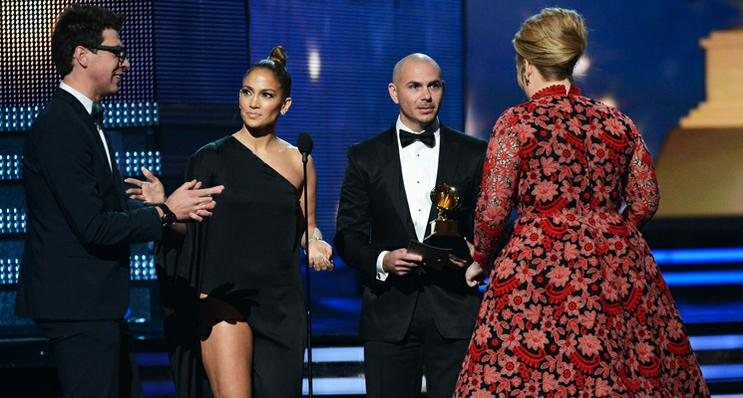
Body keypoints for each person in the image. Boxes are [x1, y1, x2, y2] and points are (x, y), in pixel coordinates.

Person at [454, 8, 709, 396]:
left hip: (536, 270)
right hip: (615, 269)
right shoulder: (615, 121)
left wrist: (481, 260)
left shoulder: (517, 122)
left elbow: (493, 209)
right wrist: (612, 231)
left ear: (526, 65)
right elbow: (646, 198)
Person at [15, 4, 224, 398]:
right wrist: (165, 213)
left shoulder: (85, 122)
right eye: (118, 52)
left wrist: (154, 206)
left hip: (96, 308)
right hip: (77, 308)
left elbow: (103, 210)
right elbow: (93, 225)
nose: (125, 63)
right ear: (82, 55)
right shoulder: (61, 127)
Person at [131, 46, 334, 397]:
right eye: (247, 92)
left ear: (285, 104)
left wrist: (315, 242)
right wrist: (164, 209)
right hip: (223, 296)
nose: (253, 103)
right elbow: (187, 235)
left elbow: (306, 227)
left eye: (266, 95)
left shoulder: (300, 161)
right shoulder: (208, 158)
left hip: (280, 302)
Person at [335, 53, 487, 397]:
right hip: (389, 311)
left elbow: (487, 226)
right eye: (415, 86)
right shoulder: (364, 156)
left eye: (433, 86)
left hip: (456, 310)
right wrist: (383, 260)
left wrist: (478, 256)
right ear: (394, 92)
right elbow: (348, 235)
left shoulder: (474, 152)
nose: (426, 95)